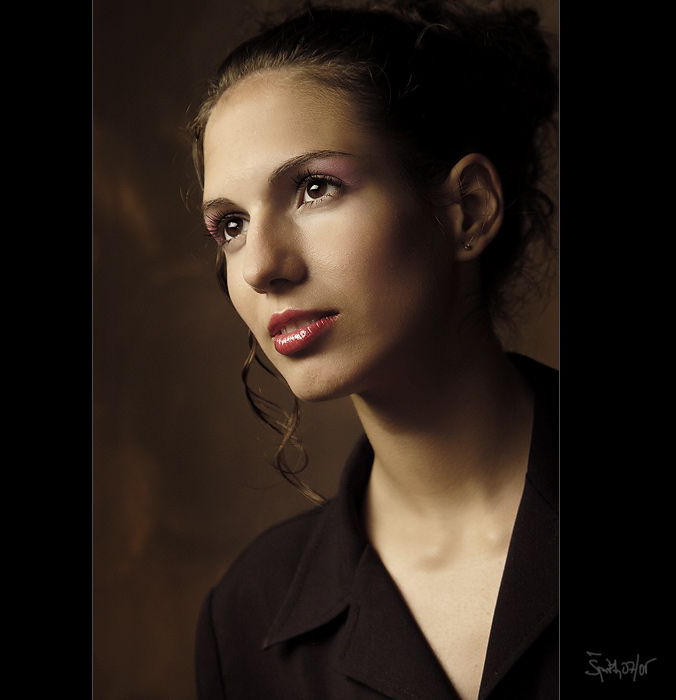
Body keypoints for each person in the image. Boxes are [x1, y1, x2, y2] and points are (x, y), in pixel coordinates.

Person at [190, 1, 558, 698]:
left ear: (469, 209)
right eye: (231, 224)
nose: (261, 266)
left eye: (314, 188)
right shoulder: (246, 618)